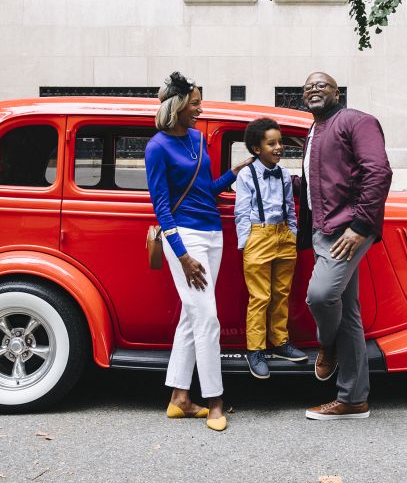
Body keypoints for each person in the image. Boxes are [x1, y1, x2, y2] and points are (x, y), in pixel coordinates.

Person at [145, 72, 253, 432]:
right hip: (186, 238)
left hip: (213, 234)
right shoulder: (157, 147)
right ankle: (215, 401)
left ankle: (179, 399)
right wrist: (182, 255)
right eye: (195, 103)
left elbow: (204, 189)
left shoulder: (196, 137)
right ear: (177, 106)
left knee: (192, 317)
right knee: (207, 318)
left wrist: (234, 173)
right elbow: (161, 206)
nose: (200, 108)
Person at [298, 71, 393, 420]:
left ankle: (326, 345)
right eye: (308, 87)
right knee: (349, 313)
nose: (314, 90)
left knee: (320, 296)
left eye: (322, 85)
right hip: (324, 229)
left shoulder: (357, 121)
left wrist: (361, 226)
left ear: (338, 92)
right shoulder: (312, 130)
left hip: (348, 229)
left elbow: (378, 171)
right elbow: (320, 180)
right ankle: (353, 399)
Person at [234, 118, 307, 379]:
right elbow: (241, 211)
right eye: (271, 143)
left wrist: (292, 233)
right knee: (260, 296)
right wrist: (247, 243)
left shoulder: (284, 174)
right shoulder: (246, 174)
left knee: (281, 293)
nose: (278, 147)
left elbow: (289, 205)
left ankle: (280, 342)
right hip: (258, 235)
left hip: (283, 235)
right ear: (257, 149)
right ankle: (255, 349)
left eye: (279, 142)